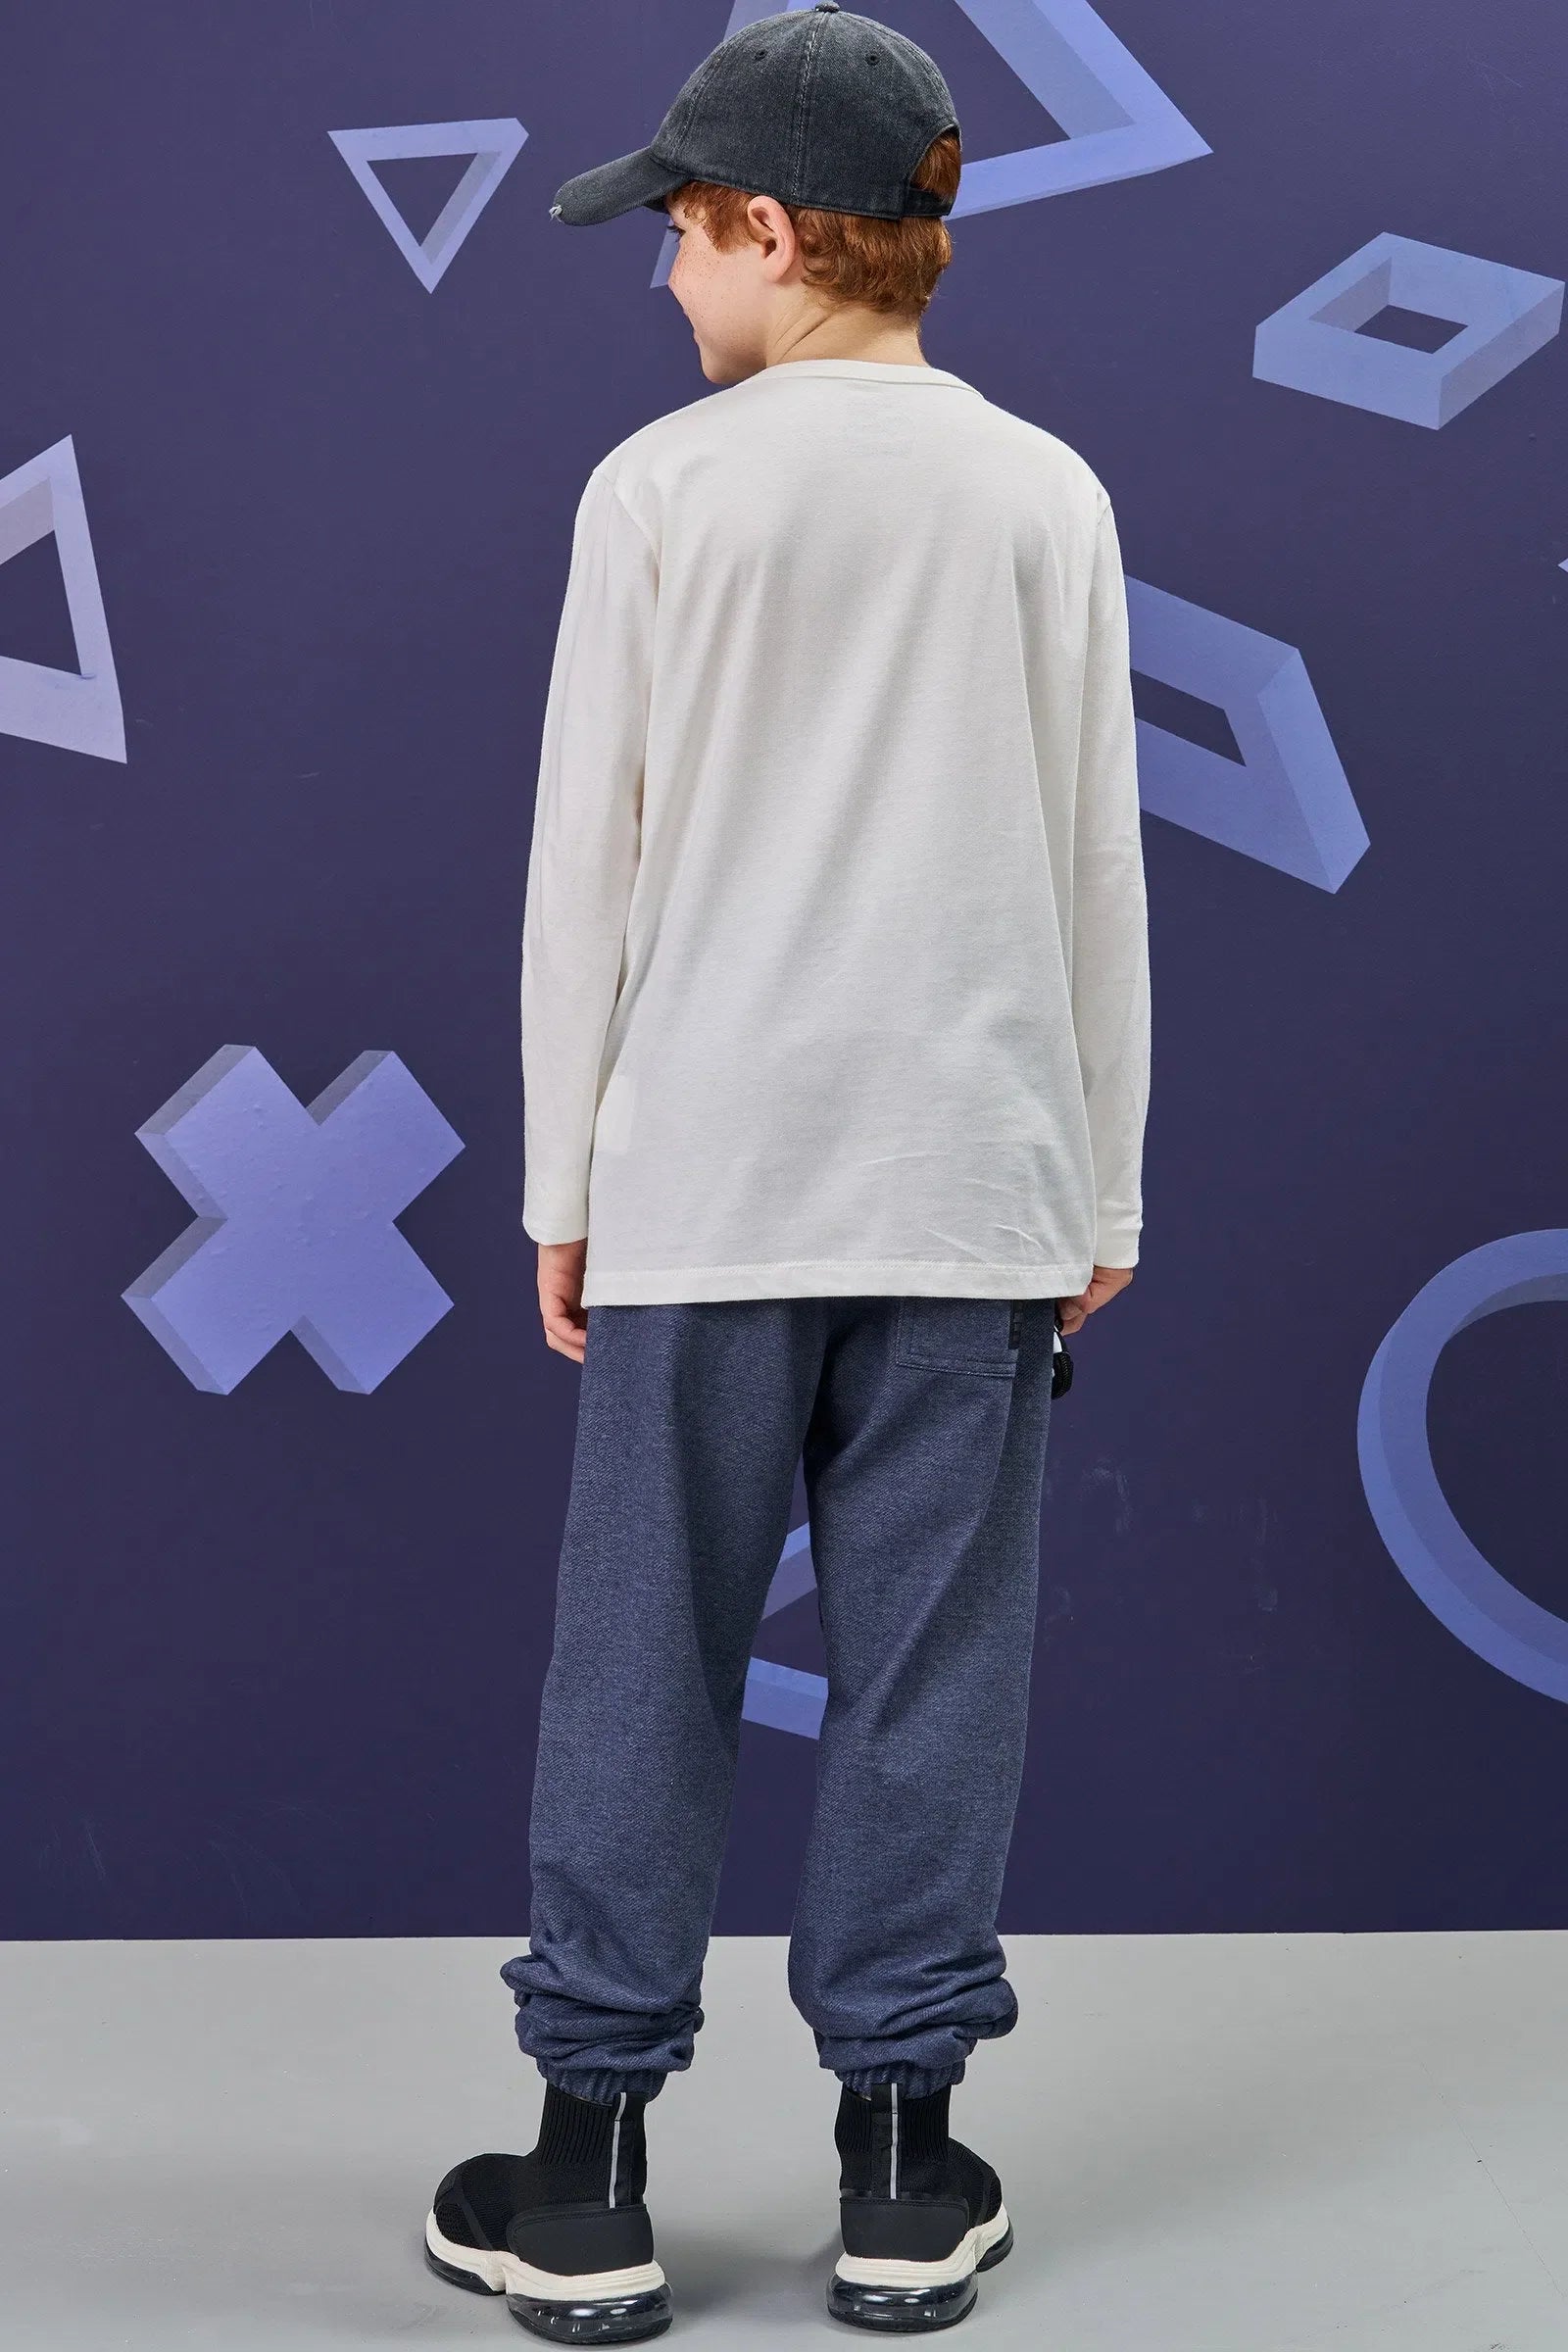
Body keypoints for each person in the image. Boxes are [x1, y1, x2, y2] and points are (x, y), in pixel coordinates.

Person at [422, 5, 1150, 2339]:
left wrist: (561, 1183)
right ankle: (903, 2170)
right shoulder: (1044, 492)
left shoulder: (660, 492)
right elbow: (1095, 866)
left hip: (706, 1186)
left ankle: (583, 2172)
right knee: (935, 1671)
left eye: (673, 231)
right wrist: (1099, 1195)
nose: (657, 276)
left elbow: (586, 869)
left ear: (765, 226)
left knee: (641, 1659)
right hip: (973, 1189)